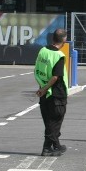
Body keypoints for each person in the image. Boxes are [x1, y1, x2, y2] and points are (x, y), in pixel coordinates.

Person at [34, 28, 69, 157]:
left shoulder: (42, 51)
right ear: (64, 40)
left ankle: (54, 146)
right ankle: (48, 148)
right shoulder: (58, 55)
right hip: (55, 93)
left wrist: (42, 87)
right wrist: (45, 88)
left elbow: (37, 69)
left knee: (49, 121)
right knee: (55, 120)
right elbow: (55, 77)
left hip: (44, 91)